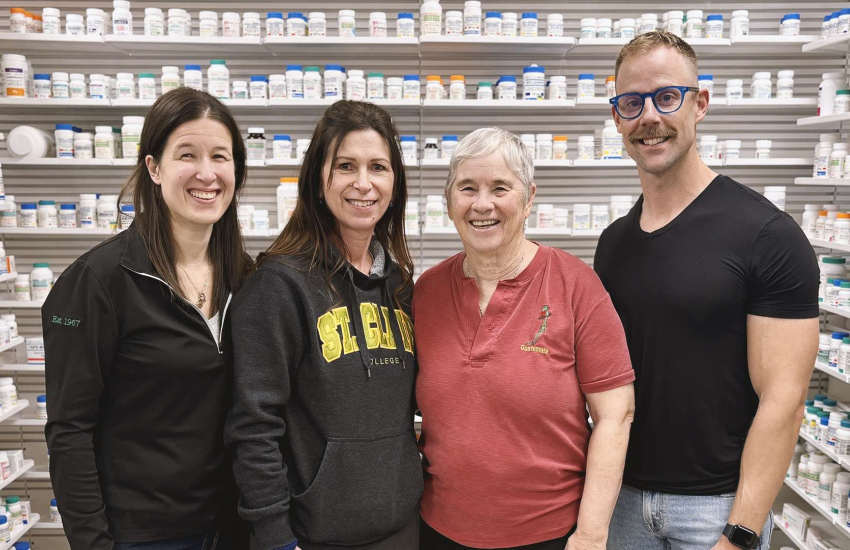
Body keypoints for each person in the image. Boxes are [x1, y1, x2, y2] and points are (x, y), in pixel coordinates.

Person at [595, 32, 819, 550]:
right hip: (622, 500)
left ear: (700, 104)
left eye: (666, 97)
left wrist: (739, 532)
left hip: (715, 511)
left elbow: (784, 400)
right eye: (631, 103)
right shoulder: (613, 244)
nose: (648, 116)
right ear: (617, 118)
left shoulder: (767, 234)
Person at [43, 87, 252, 550]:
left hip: (234, 527)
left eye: (221, 156)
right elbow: (69, 432)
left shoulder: (246, 276)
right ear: (154, 168)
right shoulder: (98, 282)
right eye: (187, 155)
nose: (206, 173)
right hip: (142, 536)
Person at [413, 127, 636, 550]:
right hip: (438, 529)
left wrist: (590, 535)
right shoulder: (426, 292)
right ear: (448, 201)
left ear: (529, 197)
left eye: (500, 188)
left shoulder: (576, 286)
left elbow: (615, 416)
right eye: (467, 188)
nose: (482, 204)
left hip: (548, 535)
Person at [225, 100, 420, 550]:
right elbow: (253, 426)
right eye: (346, 166)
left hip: (401, 527)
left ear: (395, 183)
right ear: (317, 178)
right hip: (311, 537)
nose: (363, 183)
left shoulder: (400, 285)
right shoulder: (278, 285)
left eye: (378, 167)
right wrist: (275, 537)